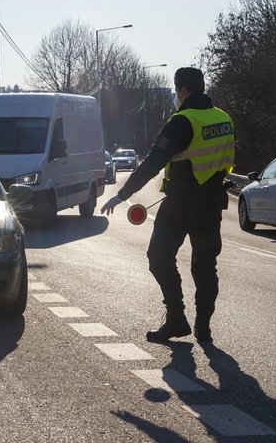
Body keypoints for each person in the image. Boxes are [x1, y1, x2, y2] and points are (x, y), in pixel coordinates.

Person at [100, 67, 235, 343]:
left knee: (159, 257)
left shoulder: (182, 121)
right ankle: (203, 327)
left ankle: (176, 318)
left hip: (181, 205)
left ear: (183, 91)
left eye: (176, 90)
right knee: (206, 265)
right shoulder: (223, 119)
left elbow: (152, 162)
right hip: (211, 203)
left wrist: (122, 195)